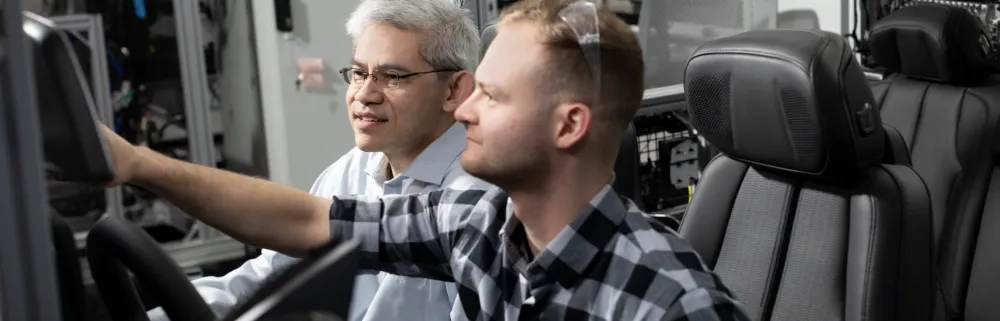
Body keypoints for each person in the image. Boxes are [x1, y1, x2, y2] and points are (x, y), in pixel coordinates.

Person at [105, 0, 749, 319]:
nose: (464, 111)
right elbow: (302, 222)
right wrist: (138, 164)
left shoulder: (670, 303)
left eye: (489, 97)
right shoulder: (475, 224)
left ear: (569, 125)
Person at [145, 1, 488, 321]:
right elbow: (271, 276)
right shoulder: (350, 170)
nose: (364, 95)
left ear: (453, 91)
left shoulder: (476, 200)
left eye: (393, 76)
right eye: (358, 73)